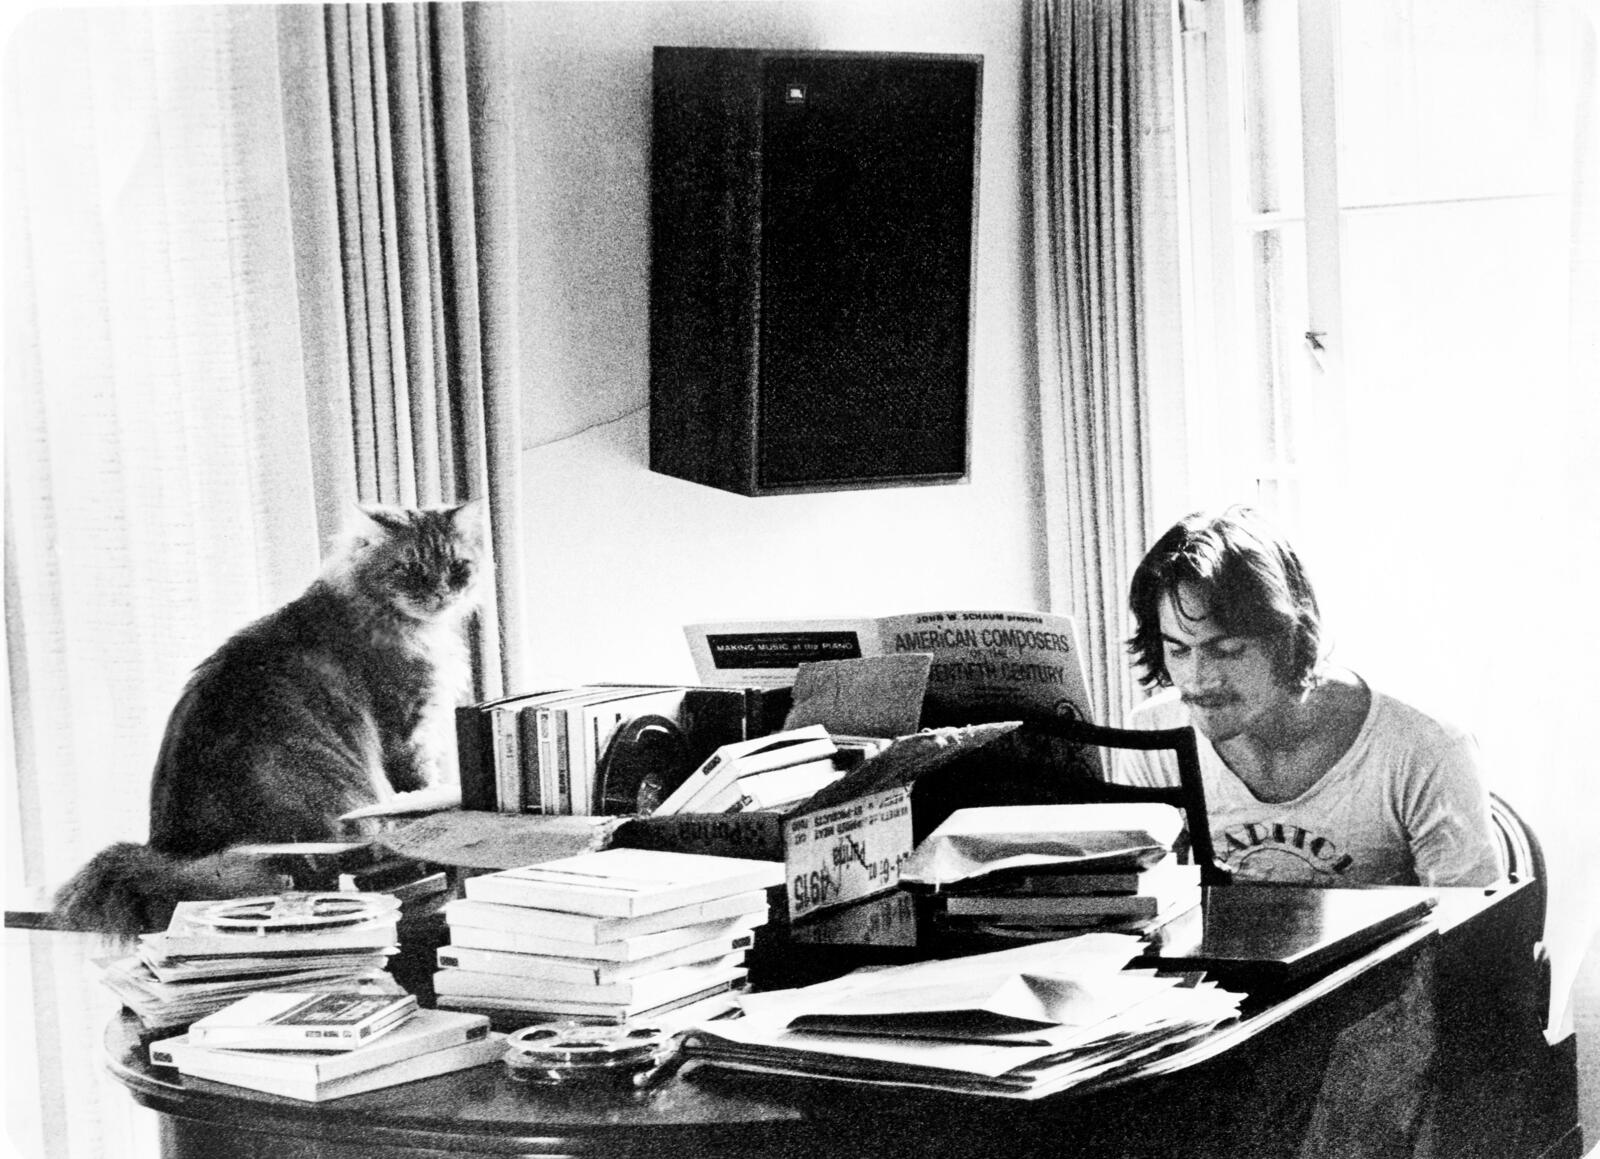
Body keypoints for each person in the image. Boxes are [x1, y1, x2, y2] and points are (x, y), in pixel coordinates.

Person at [1113, 506, 1503, 887]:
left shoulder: (1426, 748)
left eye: (1227, 650)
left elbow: (1474, 924)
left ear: (1288, 638)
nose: (1198, 678)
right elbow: (1137, 903)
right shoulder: (1152, 736)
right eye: (1178, 650)